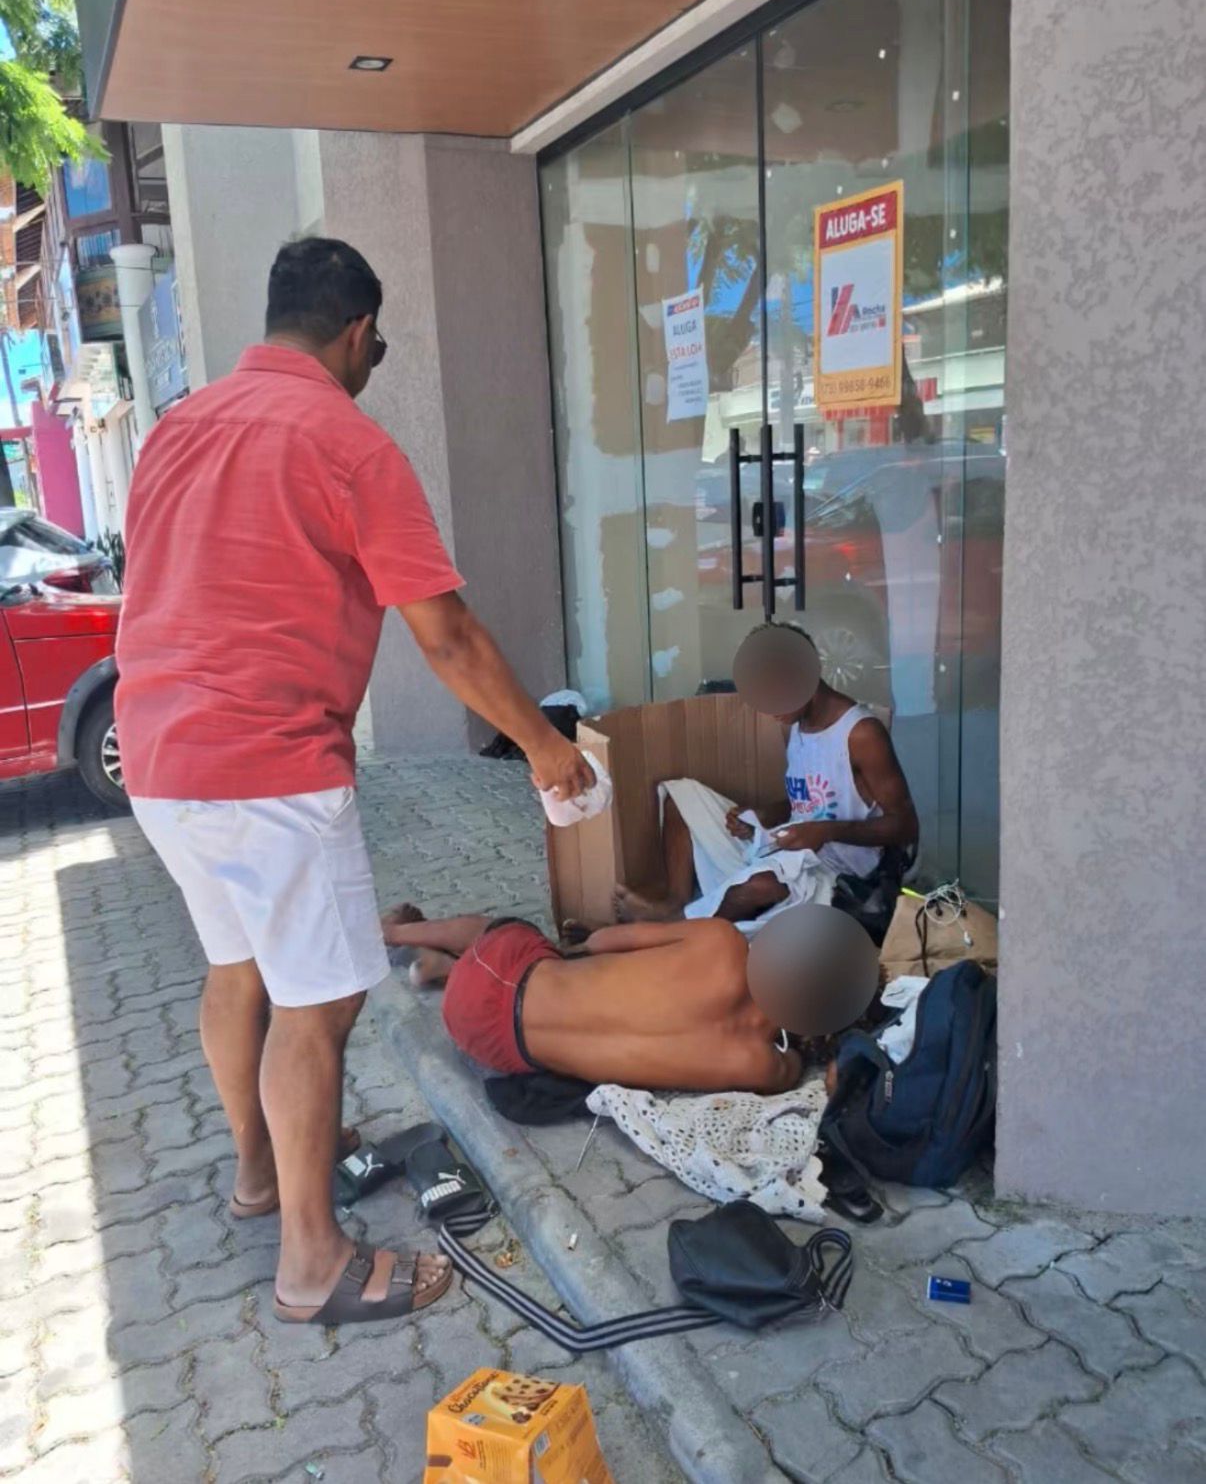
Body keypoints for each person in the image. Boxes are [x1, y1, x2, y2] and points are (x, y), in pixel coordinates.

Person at [116, 238, 593, 1329]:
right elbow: (450, 636)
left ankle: (259, 1173)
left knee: (236, 968)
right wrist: (543, 749)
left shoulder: (176, 429)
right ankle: (313, 1259)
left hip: (159, 756)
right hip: (269, 765)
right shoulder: (347, 441)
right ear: (359, 333)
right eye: (380, 342)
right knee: (317, 1004)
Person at [614, 623, 918, 938]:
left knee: (762, 885)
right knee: (682, 795)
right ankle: (677, 901)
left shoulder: (861, 734)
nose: (767, 710)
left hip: (837, 876)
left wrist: (827, 831)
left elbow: (906, 827)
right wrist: (763, 814)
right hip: (785, 849)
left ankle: (673, 929)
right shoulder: (792, 723)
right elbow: (815, 798)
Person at [382, 902, 879, 1094]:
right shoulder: (761, 1068)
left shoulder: (722, 943)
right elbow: (794, 1064)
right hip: (495, 1047)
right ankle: (439, 970)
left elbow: (599, 943)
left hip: (501, 980)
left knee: (507, 932)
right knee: (536, 968)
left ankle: (403, 932)